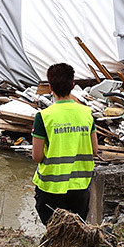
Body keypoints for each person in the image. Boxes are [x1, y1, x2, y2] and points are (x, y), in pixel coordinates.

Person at [31, 62, 98, 226]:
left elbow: (37, 156)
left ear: (50, 88)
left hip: (51, 188)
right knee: (76, 232)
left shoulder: (44, 117)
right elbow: (94, 151)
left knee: (55, 231)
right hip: (80, 186)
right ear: (73, 85)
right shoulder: (86, 113)